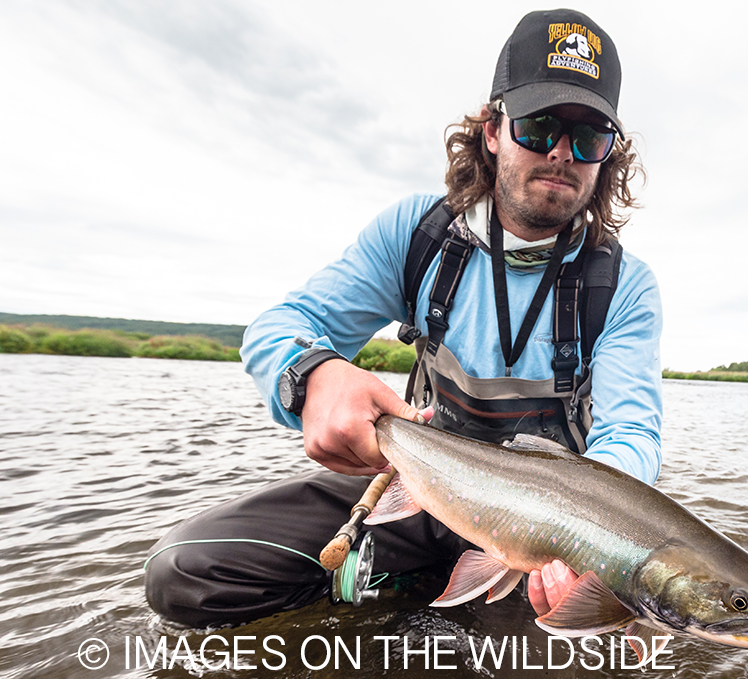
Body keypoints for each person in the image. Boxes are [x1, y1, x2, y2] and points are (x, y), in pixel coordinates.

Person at [144, 8, 662, 629]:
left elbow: (631, 436)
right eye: (539, 125)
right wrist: (313, 374)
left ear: (608, 155)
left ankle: (434, 598)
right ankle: (400, 595)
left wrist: (602, 547)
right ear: (493, 129)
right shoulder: (417, 236)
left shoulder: (624, 287)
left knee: (552, 676)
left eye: (588, 138)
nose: (560, 153)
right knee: (186, 572)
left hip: (543, 538)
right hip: (414, 494)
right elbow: (279, 325)